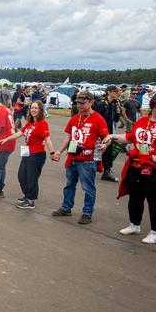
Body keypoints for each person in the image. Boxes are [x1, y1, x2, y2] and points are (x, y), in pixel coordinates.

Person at [103, 93, 156, 244]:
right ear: (152, 107)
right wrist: (112, 136)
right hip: (136, 165)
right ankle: (134, 225)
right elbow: (130, 137)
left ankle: (155, 232)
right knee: (135, 197)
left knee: (155, 200)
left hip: (155, 168)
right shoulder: (142, 121)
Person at [51, 91, 109, 225]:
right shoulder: (74, 118)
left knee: (88, 188)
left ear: (91, 102)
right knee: (69, 185)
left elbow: (106, 136)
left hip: (87, 160)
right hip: (72, 157)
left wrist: (105, 144)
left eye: (83, 103)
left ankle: (87, 213)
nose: (80, 105)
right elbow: (68, 137)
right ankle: (66, 208)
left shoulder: (98, 118)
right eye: (78, 103)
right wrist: (58, 151)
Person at [0, 100, 55, 209]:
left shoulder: (43, 123)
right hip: (27, 153)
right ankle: (27, 195)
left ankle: (31, 201)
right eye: (32, 108)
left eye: (36, 108)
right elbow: (19, 133)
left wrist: (52, 153)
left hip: (37, 154)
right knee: (22, 176)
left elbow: (47, 139)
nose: (33, 110)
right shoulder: (30, 122)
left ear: (40, 110)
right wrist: (6, 139)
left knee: (32, 178)